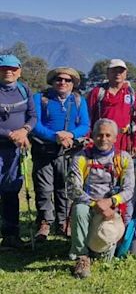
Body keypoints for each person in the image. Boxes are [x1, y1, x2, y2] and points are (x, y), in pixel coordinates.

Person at [67, 118, 135, 278]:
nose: (103, 139)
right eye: (99, 135)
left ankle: (98, 251)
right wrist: (94, 203)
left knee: (102, 251)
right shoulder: (81, 157)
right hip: (88, 204)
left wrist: (111, 202)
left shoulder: (124, 158)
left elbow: (129, 189)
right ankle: (81, 256)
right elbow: (73, 189)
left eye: (108, 135)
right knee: (79, 210)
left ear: (115, 138)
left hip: (113, 208)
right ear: (92, 135)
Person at [32, 67, 90, 240]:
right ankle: (45, 222)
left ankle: (63, 222)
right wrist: (54, 136)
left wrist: (71, 135)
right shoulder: (40, 99)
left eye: (67, 80)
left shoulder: (79, 100)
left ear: (73, 84)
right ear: (52, 82)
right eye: (59, 79)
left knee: (65, 188)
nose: (63, 82)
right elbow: (35, 124)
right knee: (44, 188)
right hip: (44, 150)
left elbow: (85, 125)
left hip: (68, 151)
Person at [0, 54, 36, 248]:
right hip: (4, 145)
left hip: (15, 151)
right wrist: (9, 134)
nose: (9, 71)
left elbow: (32, 116)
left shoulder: (24, 90)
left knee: (11, 189)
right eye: (4, 68)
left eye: (13, 68)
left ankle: (10, 235)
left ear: (19, 71)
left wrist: (24, 131)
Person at [87, 59, 136, 157]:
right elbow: (88, 118)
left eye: (121, 71)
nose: (118, 74)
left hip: (124, 143)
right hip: (101, 141)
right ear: (108, 73)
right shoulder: (97, 93)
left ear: (125, 74)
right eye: (114, 71)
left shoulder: (132, 94)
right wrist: (87, 140)